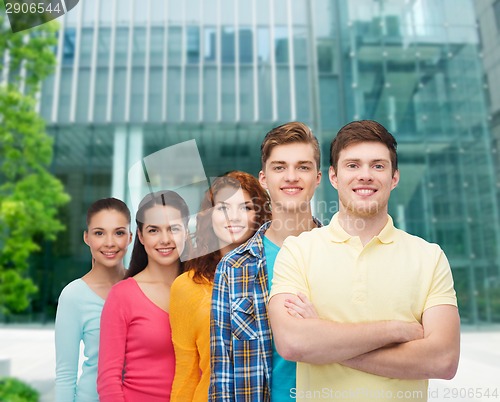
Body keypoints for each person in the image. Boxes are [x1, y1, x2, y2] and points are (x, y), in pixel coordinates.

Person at [268, 120, 460, 401]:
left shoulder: (429, 257)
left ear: (394, 178)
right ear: (333, 176)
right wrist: (395, 330)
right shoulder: (297, 251)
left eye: (378, 166)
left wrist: (326, 344)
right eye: (353, 165)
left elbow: (443, 360)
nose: (365, 175)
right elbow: (293, 343)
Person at [209, 122, 323, 401]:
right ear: (263, 178)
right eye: (280, 167)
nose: (291, 176)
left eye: (303, 167)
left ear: (318, 177)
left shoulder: (345, 255)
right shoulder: (233, 267)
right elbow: (222, 373)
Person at [170, 170, 272, 402]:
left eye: (246, 207)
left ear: (259, 215)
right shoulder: (186, 286)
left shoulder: (276, 272)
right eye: (223, 208)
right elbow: (186, 372)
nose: (233, 217)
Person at [97, 190, 190, 402]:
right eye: (153, 230)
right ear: (140, 236)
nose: (165, 239)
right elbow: (108, 379)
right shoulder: (122, 295)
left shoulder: (202, 288)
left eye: (173, 229)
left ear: (185, 232)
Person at [55, 198, 132, 402]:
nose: (109, 243)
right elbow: (65, 375)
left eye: (119, 232)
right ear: (86, 237)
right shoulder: (73, 296)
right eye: (99, 233)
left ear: (131, 237)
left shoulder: (141, 287)